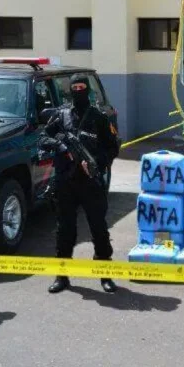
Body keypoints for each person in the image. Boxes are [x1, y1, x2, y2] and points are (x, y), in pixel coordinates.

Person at [39, 74, 119, 294]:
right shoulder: (61, 115)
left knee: (99, 229)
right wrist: (61, 147)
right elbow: (43, 138)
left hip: (91, 183)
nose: (78, 91)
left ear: (88, 90)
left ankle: (105, 275)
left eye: (82, 87)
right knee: (64, 231)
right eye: (74, 88)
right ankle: (62, 276)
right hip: (66, 183)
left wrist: (97, 162)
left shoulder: (99, 117)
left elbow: (113, 147)